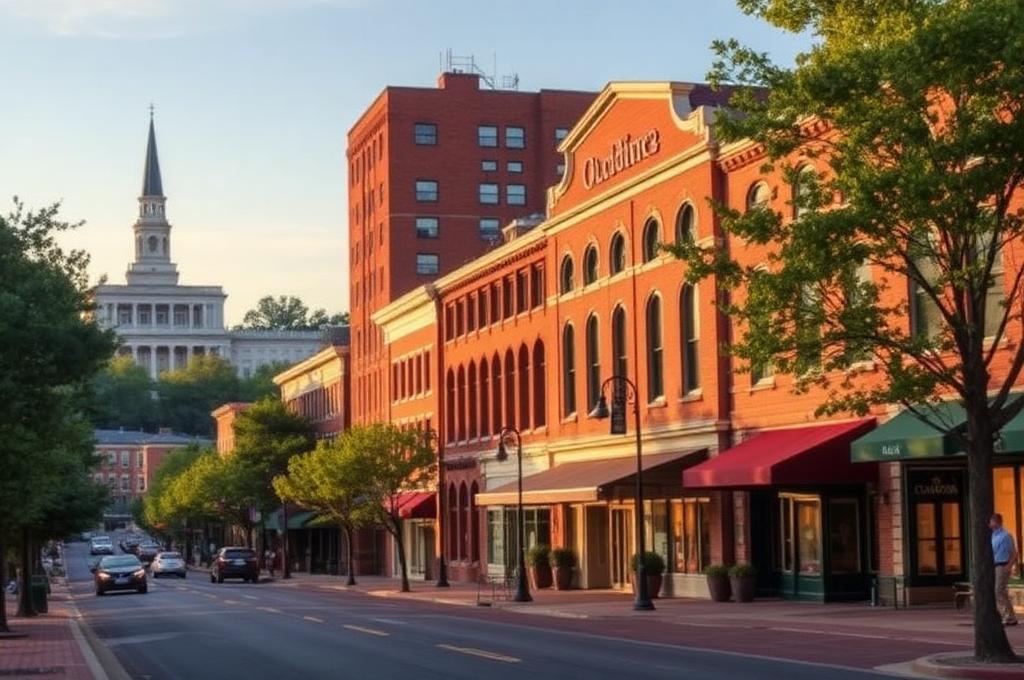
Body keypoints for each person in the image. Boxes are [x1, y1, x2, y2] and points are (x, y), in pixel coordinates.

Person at [990, 513, 1018, 626]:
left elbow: (1014, 553)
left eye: (991, 522)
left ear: (997, 522)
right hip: (996, 566)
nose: (990, 524)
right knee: (1001, 592)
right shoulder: (993, 536)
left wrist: (1009, 566)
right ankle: (1011, 616)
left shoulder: (1005, 536)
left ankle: (1007, 616)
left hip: (1003, 565)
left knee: (998, 591)